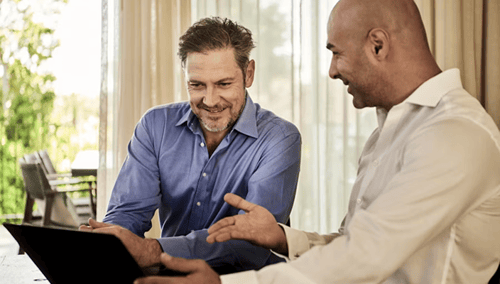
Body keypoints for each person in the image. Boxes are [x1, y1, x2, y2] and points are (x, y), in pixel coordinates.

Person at [133, 0, 500, 283]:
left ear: (377, 45)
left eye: (336, 52)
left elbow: (365, 255)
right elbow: (352, 240)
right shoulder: (389, 132)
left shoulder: (455, 133)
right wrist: (282, 238)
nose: (332, 70)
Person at [80, 17, 301, 272]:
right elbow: (127, 213)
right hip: (166, 276)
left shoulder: (280, 139)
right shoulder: (155, 126)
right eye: (197, 85)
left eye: (223, 84)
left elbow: (250, 245)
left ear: (248, 74)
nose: (210, 100)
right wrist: (110, 242)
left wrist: (153, 250)